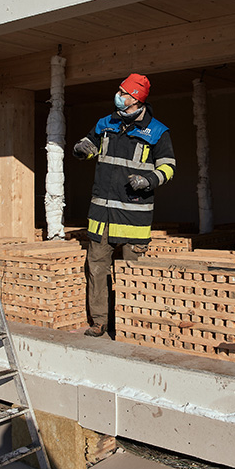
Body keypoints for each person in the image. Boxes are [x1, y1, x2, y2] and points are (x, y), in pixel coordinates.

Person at [72, 73, 176, 337]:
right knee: (96, 270)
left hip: (133, 218)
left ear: (136, 98)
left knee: (133, 274)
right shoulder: (105, 123)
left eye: (123, 92)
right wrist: (83, 148)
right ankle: (99, 322)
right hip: (102, 216)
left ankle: (129, 326)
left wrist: (149, 180)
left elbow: (169, 167)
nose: (118, 95)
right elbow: (91, 146)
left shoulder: (158, 132)